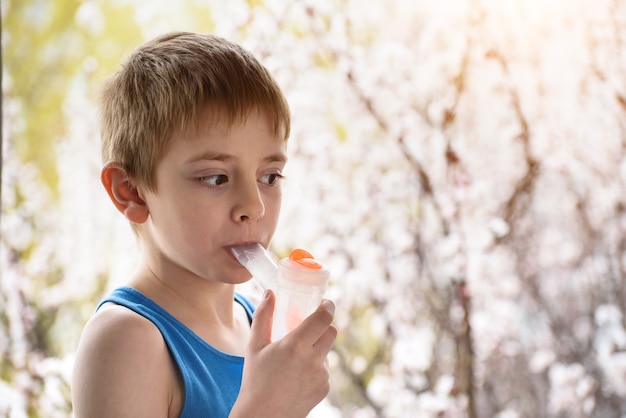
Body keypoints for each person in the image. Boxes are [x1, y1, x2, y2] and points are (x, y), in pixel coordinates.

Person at [72, 31, 337, 418]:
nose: (254, 206)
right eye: (216, 178)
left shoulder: (254, 323)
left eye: (270, 176)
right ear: (132, 192)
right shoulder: (126, 342)